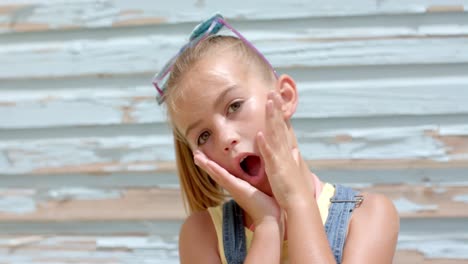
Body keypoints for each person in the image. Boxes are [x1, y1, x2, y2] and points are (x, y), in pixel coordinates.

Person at [152, 14, 399, 264]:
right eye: (204, 135)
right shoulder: (202, 234)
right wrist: (267, 226)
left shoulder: (367, 215)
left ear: (285, 97)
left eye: (234, 106)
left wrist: (296, 200)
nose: (225, 138)